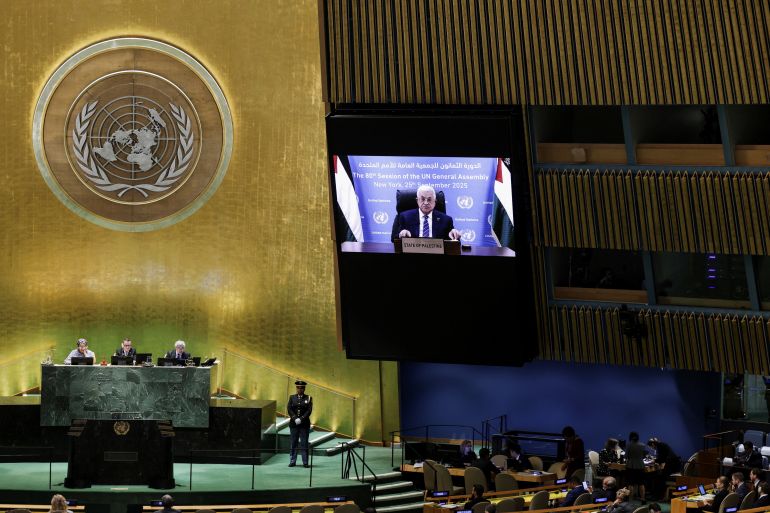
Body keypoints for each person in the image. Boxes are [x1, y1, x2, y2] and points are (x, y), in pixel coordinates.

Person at [391, 185, 462, 241]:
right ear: (417, 201)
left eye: (429, 199)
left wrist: (455, 235)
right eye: (422, 199)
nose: (426, 203)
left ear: (435, 201)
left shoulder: (446, 220)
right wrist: (401, 235)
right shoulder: (404, 217)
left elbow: (453, 241)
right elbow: (394, 239)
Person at [287, 379, 312, 468]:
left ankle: (305, 462)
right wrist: (294, 418)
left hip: (304, 424)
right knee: (293, 443)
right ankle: (292, 461)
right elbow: (289, 409)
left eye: (301, 388)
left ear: (304, 389)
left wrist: (301, 419)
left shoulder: (308, 398)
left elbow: (309, 410)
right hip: (294, 424)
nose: (300, 390)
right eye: (298, 388)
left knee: (304, 443)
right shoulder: (292, 397)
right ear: (296, 388)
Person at [624, 432, 647, 502]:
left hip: (631, 466)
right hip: (641, 466)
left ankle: (631, 500)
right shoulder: (642, 445)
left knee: (631, 483)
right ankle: (643, 498)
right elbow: (644, 456)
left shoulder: (628, 445)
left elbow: (626, 456)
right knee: (641, 483)